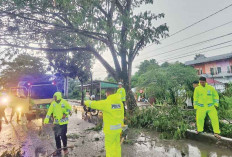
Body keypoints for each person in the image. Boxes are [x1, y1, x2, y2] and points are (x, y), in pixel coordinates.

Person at [84, 88, 124, 157]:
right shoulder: (120, 103)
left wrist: (86, 102)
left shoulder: (107, 102)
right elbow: (122, 116)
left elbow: (94, 104)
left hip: (110, 131)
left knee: (109, 149)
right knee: (117, 147)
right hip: (118, 130)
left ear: (107, 93)